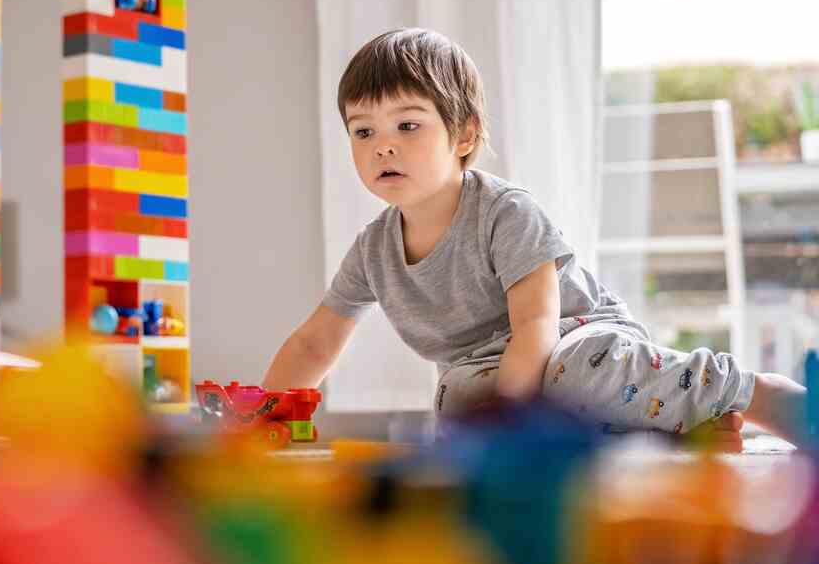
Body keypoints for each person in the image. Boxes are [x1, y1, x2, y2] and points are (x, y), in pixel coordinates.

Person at [262, 28, 807, 449]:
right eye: (363, 131)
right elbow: (316, 341)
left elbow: (535, 323)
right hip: (486, 367)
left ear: (465, 135)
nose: (383, 146)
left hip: (573, 336)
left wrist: (510, 423)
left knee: (568, 375)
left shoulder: (504, 212)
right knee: (455, 399)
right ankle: (670, 437)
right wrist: (268, 411)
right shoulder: (373, 250)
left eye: (407, 126)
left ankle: (746, 391)